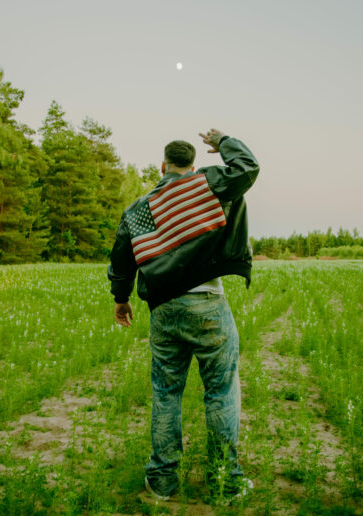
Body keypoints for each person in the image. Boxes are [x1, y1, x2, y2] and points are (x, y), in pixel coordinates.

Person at [108, 128, 260, 501]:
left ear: (163, 167)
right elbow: (248, 167)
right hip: (208, 303)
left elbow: (122, 257)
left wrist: (121, 298)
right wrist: (223, 142)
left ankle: (161, 481)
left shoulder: (139, 209)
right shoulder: (206, 185)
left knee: (166, 394)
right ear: (192, 167)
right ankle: (225, 483)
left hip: (163, 309)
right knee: (221, 392)